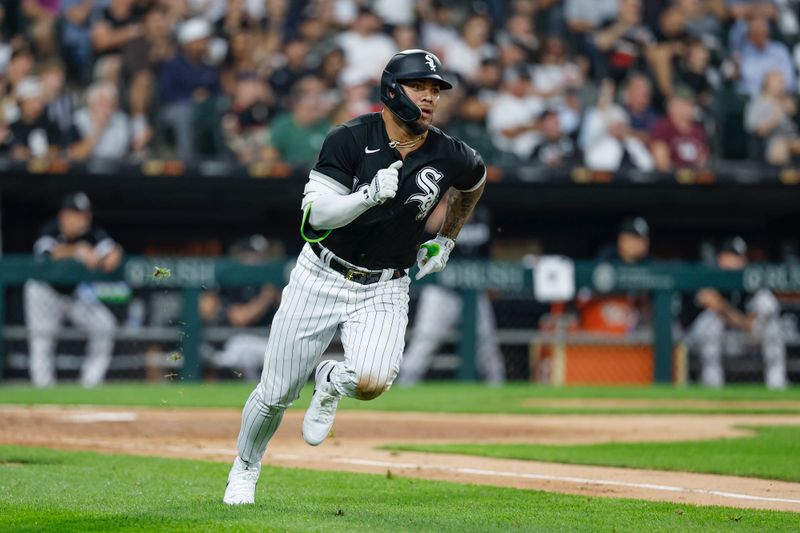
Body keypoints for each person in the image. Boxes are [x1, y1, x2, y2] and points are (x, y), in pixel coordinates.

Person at [223, 49, 486, 505]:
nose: (429, 97)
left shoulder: (448, 151)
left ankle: (329, 381)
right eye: (419, 86)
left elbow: (475, 181)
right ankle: (245, 468)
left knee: (373, 380)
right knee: (275, 393)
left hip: (386, 282)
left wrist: (447, 239)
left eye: (435, 89)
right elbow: (314, 216)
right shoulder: (348, 138)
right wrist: (364, 197)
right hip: (321, 274)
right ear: (391, 89)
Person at [397, 202, 505, 386]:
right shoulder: (439, 211)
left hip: (474, 289)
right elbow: (424, 239)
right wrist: (445, 210)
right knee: (425, 341)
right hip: (441, 290)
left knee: (487, 344)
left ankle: (498, 389)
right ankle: (404, 386)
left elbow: (487, 251)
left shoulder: (482, 214)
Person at [24, 192, 122, 388]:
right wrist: (78, 250)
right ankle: (43, 392)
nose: (82, 220)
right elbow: (46, 255)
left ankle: (90, 384)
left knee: (104, 326)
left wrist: (113, 254)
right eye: (77, 215)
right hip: (44, 291)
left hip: (74, 293)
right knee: (42, 340)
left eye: (85, 215)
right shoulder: (50, 229)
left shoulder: (92, 233)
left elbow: (112, 249)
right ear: (64, 216)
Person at [687, 236, 788, 389]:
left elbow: (760, 317)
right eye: (731, 256)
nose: (736, 262)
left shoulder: (752, 281)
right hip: (697, 341)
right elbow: (711, 303)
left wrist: (726, 310)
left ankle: (777, 385)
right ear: (721, 258)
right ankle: (712, 386)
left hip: (742, 339)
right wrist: (740, 320)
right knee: (711, 322)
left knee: (773, 328)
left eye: (740, 257)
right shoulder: (709, 276)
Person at [200, 235, 281, 380]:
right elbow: (239, 318)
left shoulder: (276, 279)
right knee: (239, 350)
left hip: (272, 340)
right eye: (252, 254)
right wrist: (265, 297)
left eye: (261, 255)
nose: (256, 259)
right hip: (242, 339)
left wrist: (275, 294)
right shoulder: (235, 281)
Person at [576, 217, 651, 335]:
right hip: (601, 334)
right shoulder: (606, 259)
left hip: (633, 336)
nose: (641, 244)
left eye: (644, 239)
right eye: (635, 239)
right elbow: (584, 295)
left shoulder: (649, 266)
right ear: (622, 240)